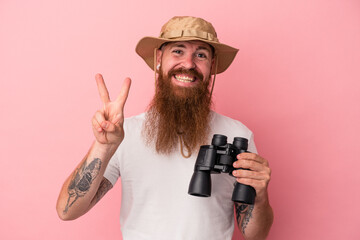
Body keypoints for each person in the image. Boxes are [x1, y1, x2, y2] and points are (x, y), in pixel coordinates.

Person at [56, 16, 273, 240]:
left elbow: (255, 235)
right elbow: (67, 211)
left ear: (212, 66)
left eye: (201, 55)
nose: (189, 64)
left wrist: (260, 196)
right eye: (178, 51)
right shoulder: (124, 133)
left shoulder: (238, 134)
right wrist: (103, 147)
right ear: (159, 58)